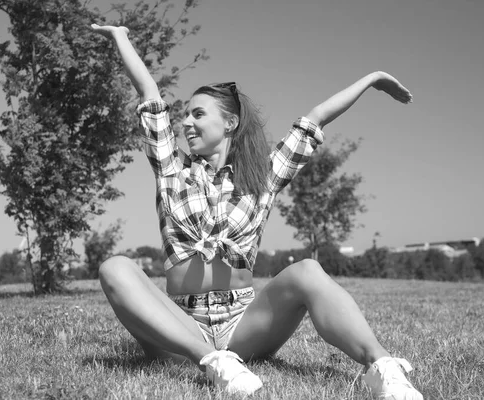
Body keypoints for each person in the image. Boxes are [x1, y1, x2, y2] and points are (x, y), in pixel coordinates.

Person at [91, 23, 423, 400]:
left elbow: (315, 118)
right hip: (181, 328)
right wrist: (121, 37)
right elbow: (149, 93)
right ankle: (214, 363)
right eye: (184, 116)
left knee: (308, 271)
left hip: (243, 328)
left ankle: (382, 368)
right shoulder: (172, 169)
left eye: (197, 115)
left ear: (229, 123)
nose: (186, 123)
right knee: (114, 267)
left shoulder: (262, 176)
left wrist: (373, 78)